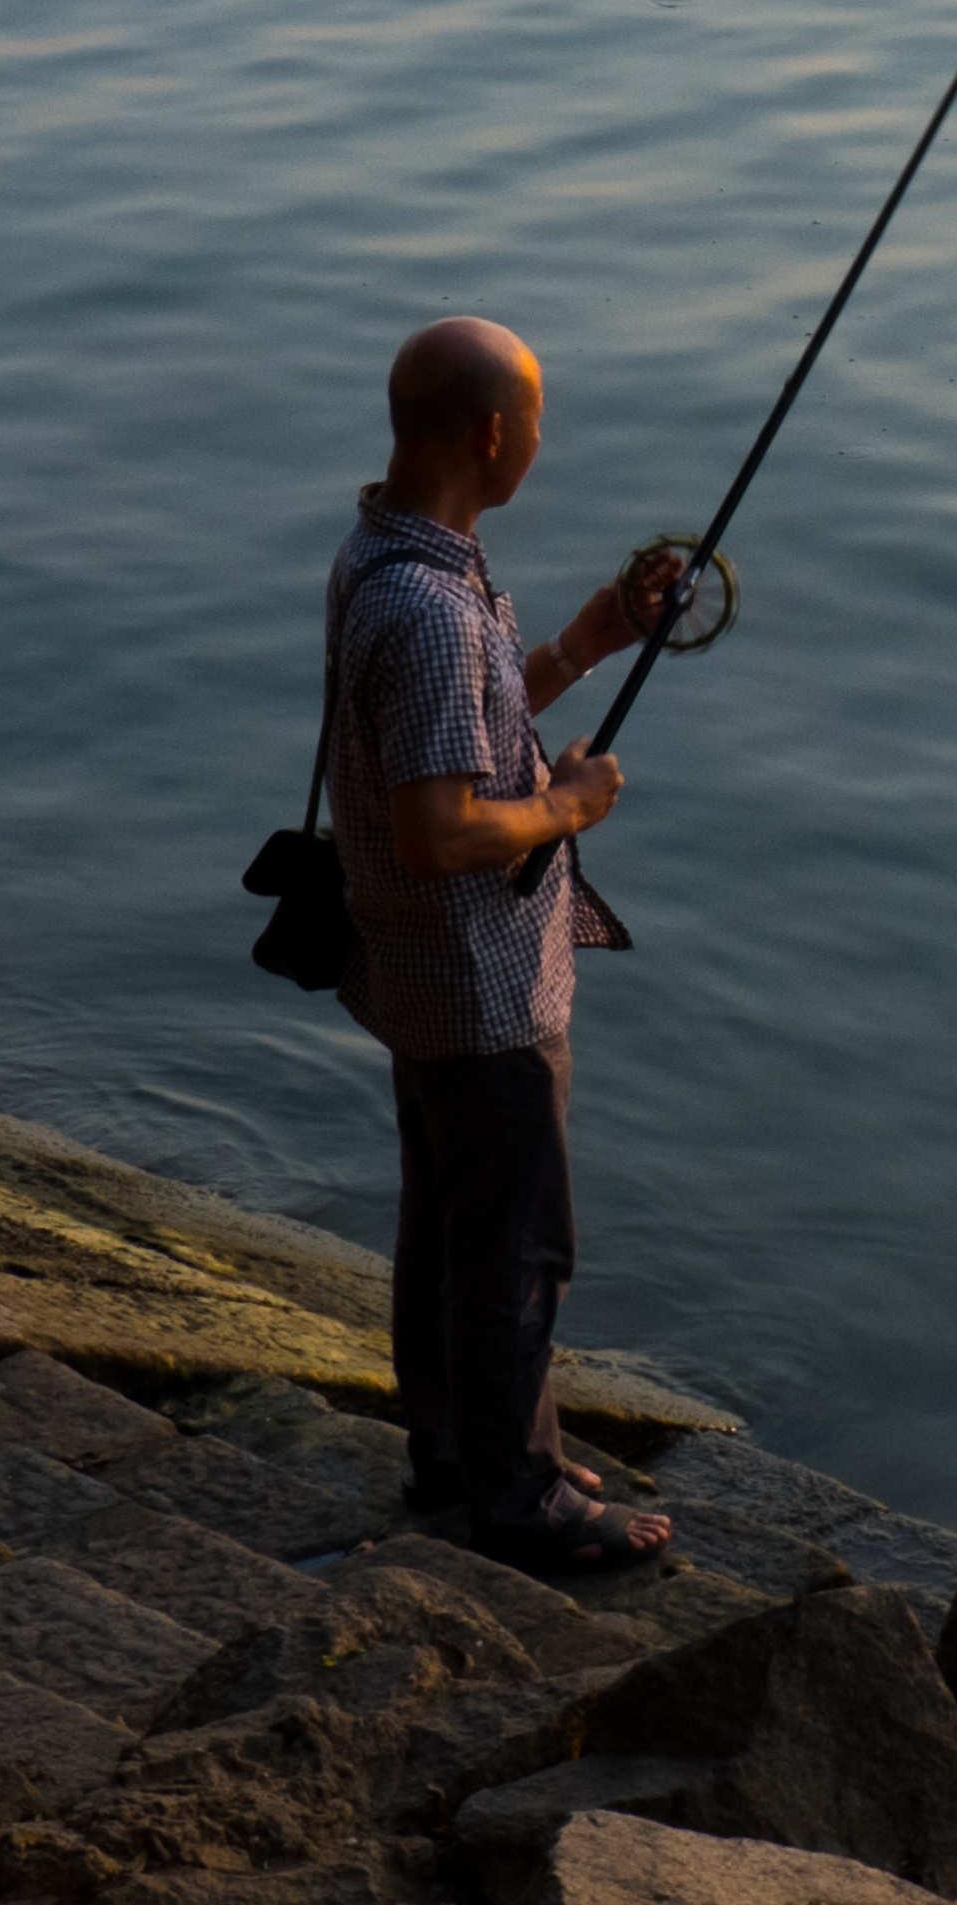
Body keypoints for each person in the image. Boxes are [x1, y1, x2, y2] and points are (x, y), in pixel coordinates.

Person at [326, 314, 682, 1573]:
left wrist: (585, 643)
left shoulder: (391, 555)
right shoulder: (430, 609)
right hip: (480, 992)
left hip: (418, 980)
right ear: (492, 433)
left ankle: (461, 1445)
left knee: (448, 1227)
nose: (540, 439)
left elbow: (453, 733)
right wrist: (568, 807)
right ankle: (518, 1498)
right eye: (534, 417)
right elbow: (439, 826)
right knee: (519, 1242)